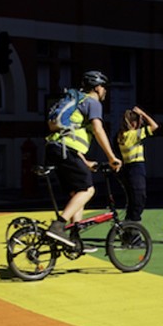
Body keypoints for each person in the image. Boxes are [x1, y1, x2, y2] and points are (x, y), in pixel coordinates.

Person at [44, 70, 122, 247]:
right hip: (65, 151)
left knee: (76, 193)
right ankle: (58, 226)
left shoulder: (78, 102)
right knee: (88, 190)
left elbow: (69, 136)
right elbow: (98, 129)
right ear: (96, 88)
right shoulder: (92, 102)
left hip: (57, 149)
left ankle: (74, 237)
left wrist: (85, 163)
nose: (105, 91)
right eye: (104, 87)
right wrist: (111, 157)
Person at [116, 106, 158, 222]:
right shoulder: (134, 135)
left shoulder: (121, 135)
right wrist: (142, 113)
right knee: (139, 199)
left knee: (132, 200)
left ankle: (129, 229)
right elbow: (155, 126)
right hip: (136, 168)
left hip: (127, 168)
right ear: (134, 123)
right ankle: (133, 230)